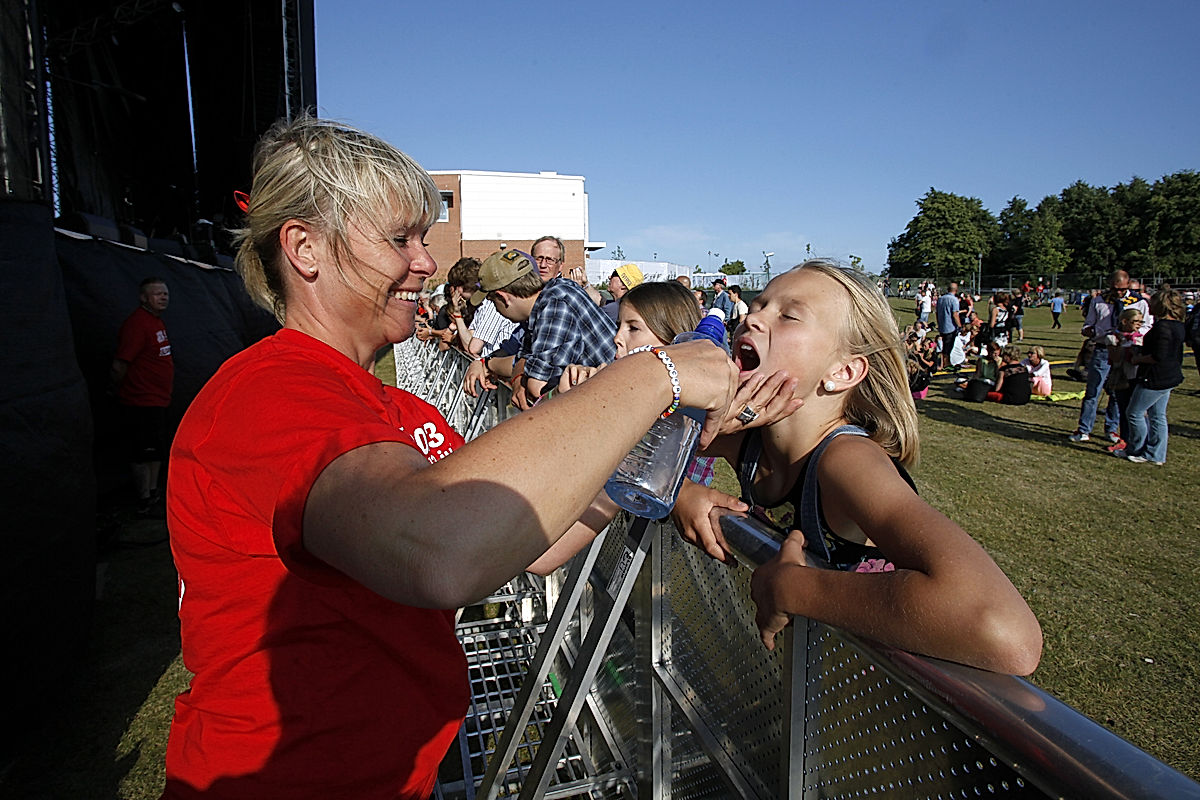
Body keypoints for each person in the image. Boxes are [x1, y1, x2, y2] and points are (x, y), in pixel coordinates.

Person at [162, 116, 739, 799]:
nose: (426, 262)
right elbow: (442, 553)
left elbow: (525, 541)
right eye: (399, 238)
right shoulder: (271, 394)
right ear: (305, 247)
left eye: (423, 237)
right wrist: (652, 376)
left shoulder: (398, 412)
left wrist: (645, 476)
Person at [670, 260, 1042, 676]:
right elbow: (616, 437)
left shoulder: (846, 459)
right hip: (800, 683)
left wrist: (794, 588)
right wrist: (676, 493)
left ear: (842, 372)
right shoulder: (749, 437)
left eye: (788, 315)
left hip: (869, 695)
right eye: (758, 306)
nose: (751, 318)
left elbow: (1005, 632)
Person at [471, 248, 616, 407]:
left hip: (620, 406)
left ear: (503, 298)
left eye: (493, 303)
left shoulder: (554, 305)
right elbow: (524, 358)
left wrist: (518, 376)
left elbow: (537, 387)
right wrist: (486, 364)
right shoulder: (552, 293)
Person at [111, 276, 173, 516]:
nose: (163, 297)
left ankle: (153, 491)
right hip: (140, 402)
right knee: (141, 452)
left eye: (165, 293)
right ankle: (144, 499)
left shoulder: (156, 322)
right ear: (144, 298)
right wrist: (115, 389)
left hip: (158, 400)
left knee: (155, 450)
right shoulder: (137, 325)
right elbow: (120, 364)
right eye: (157, 294)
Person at [1069, 270, 1151, 443]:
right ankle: (1084, 429)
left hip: (1126, 350)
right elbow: (1089, 324)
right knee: (1093, 390)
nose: (1118, 293)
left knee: (1117, 392)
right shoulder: (1099, 300)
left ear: (1128, 285)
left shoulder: (1139, 302)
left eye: (1121, 289)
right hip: (1102, 348)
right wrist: (1089, 330)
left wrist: (1130, 336)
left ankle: (1112, 429)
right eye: (1114, 288)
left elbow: (1146, 327)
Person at [1124, 290, 1187, 465]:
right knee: (1157, 415)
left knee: (1134, 413)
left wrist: (1137, 359)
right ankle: (1156, 454)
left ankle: (1137, 449)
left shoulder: (1163, 327)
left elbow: (1158, 355)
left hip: (1156, 377)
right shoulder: (1179, 325)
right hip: (1170, 375)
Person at [935, 281, 960, 370]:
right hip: (951, 326)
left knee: (944, 345)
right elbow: (955, 314)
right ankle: (945, 363)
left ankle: (944, 362)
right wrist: (960, 325)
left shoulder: (940, 299)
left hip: (942, 325)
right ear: (956, 290)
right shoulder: (954, 300)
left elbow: (937, 313)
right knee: (948, 346)